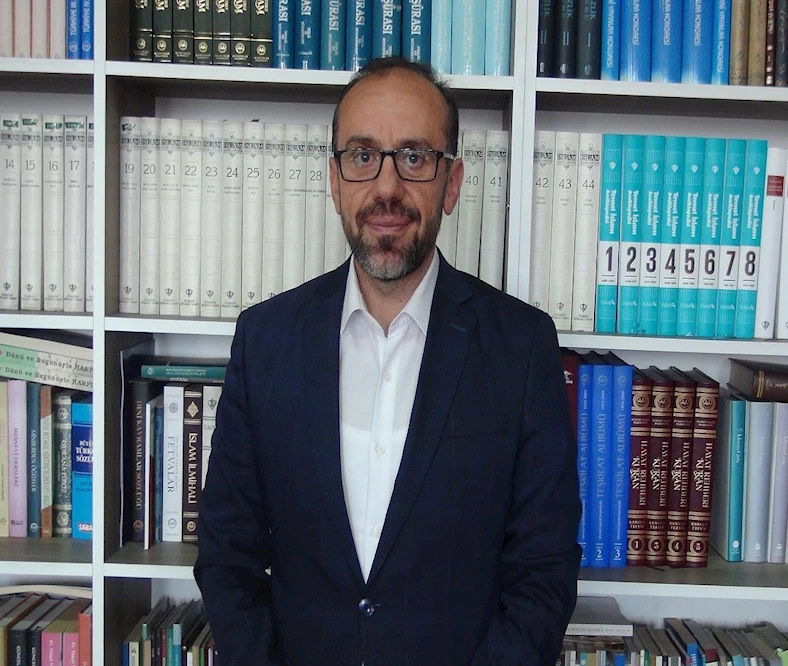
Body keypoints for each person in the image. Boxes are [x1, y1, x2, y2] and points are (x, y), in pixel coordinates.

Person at [194, 56, 581, 666]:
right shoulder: (265, 340)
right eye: (363, 155)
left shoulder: (521, 346)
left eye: (415, 157)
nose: (387, 188)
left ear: (452, 183)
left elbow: (544, 572)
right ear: (334, 180)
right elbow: (226, 556)